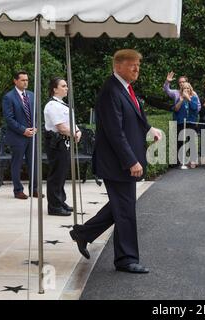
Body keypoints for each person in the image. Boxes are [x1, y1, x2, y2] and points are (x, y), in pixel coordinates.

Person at [70, 49, 162, 274]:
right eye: (133, 65)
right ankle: (126, 259)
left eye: (138, 65)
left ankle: (83, 233)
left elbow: (134, 117)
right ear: (118, 66)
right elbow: (114, 132)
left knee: (122, 206)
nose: (137, 69)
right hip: (117, 163)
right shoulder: (110, 91)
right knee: (125, 209)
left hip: (122, 161)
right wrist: (131, 161)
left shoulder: (125, 89)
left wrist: (149, 128)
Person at [43, 77, 81, 216]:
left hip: (64, 142)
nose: (67, 88)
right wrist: (74, 133)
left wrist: (77, 131)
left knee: (62, 174)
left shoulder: (61, 104)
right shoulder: (52, 105)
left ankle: (60, 201)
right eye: (63, 86)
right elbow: (61, 127)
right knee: (56, 175)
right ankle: (54, 207)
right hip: (56, 143)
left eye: (66, 86)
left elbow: (69, 122)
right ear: (55, 89)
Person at [2, 71, 39, 200]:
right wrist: (24, 130)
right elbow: (9, 119)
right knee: (16, 164)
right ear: (15, 81)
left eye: (27, 80)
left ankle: (34, 190)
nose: (25, 82)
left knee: (33, 163)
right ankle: (18, 191)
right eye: (23, 80)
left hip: (32, 136)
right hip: (18, 136)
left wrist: (36, 127)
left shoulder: (32, 95)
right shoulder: (9, 97)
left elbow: (35, 114)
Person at [173, 83, 199, 168]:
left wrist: (188, 98)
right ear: (182, 90)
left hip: (191, 122)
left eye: (188, 88)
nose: (186, 89)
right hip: (181, 122)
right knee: (180, 141)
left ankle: (193, 161)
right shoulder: (179, 98)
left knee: (191, 142)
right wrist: (181, 100)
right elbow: (176, 109)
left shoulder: (194, 98)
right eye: (184, 88)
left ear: (190, 89)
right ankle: (178, 161)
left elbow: (195, 108)